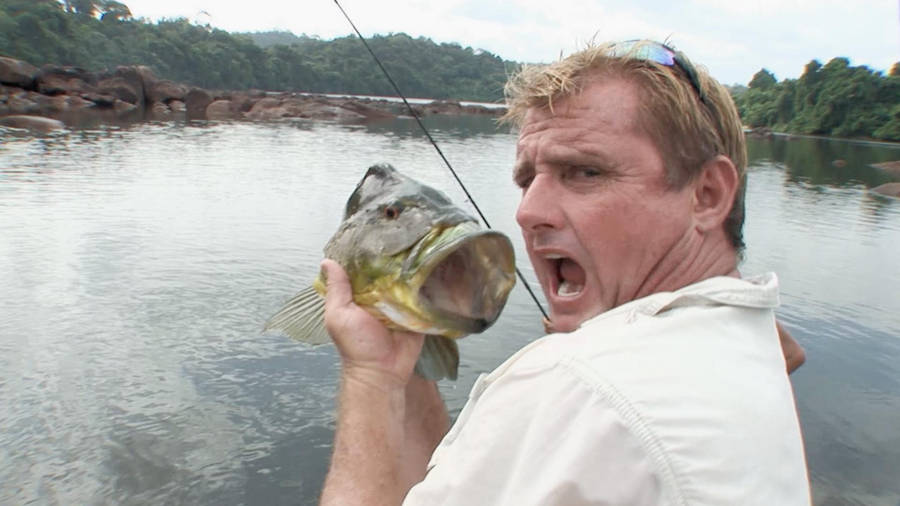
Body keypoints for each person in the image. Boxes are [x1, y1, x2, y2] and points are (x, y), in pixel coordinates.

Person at [317, 39, 811, 505]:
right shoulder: (751, 344)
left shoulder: (582, 392)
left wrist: (368, 381)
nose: (528, 211)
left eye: (585, 172)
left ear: (707, 195)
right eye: (527, 179)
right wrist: (395, 368)